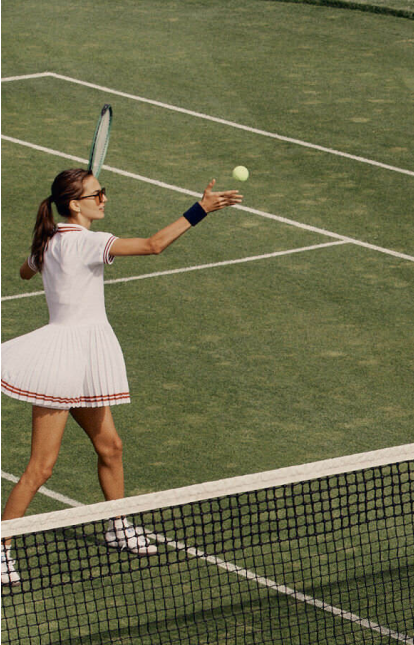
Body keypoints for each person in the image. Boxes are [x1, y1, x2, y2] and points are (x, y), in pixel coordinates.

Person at [1, 167, 242, 588]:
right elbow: (153, 246)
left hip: (84, 360)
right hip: (63, 363)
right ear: (75, 204)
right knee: (41, 468)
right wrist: (200, 209)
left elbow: (25, 272)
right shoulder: (87, 243)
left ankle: (118, 524)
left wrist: (43, 259)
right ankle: (1, 545)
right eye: (98, 194)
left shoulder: (50, 241)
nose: (105, 199)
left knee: (111, 446)